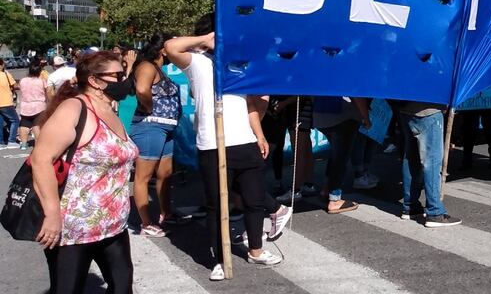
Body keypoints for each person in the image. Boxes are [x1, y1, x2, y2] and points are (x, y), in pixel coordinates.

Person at [164, 16, 285, 281]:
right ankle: (219, 258)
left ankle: (256, 249)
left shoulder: (239, 67)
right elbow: (171, 47)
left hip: (245, 142)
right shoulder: (197, 64)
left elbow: (250, 106)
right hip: (212, 144)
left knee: (254, 200)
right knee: (217, 205)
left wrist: (260, 135)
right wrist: (204, 39)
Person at [33, 51, 138, 294]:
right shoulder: (74, 107)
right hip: (74, 227)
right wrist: (52, 215)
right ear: (94, 80)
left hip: (113, 225)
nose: (124, 80)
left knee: (122, 288)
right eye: (118, 74)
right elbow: (41, 159)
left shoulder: (110, 109)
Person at [129, 35, 181, 237]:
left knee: (165, 174)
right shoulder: (148, 66)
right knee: (143, 177)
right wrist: (149, 107)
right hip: (150, 127)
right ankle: (146, 222)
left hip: (165, 129)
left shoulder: (158, 69)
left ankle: (166, 213)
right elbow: (142, 89)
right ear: (163, 50)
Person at [394, 100, 462, 226]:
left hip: (406, 109)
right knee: (431, 161)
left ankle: (410, 206)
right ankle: (435, 212)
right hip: (428, 110)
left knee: (411, 157)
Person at [313, 96, 370, 213]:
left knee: (336, 155)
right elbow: (356, 93)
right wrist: (366, 117)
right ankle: (334, 199)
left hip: (320, 114)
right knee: (341, 158)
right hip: (344, 116)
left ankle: (326, 189)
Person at [17, 59, 47, 150]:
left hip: (25, 106)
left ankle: (23, 144)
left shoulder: (23, 81)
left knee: (24, 124)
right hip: (39, 106)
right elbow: (47, 90)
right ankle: (38, 143)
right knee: (36, 125)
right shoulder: (41, 81)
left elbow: (19, 88)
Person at [0, 58, 20, 147]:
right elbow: (15, 86)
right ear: (1, 65)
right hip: (6, 102)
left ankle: (1, 142)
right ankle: (11, 140)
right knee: (15, 120)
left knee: (0, 122)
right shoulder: (5, 74)